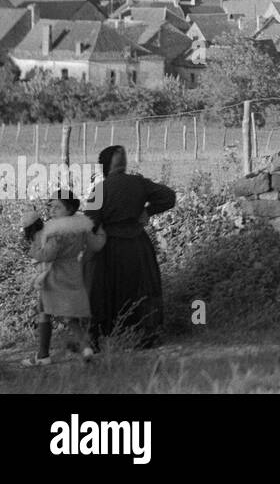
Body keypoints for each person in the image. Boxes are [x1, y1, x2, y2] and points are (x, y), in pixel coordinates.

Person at [83, 145, 176, 349]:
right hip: (137, 245)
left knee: (100, 289)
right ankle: (148, 334)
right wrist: (148, 211)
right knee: (142, 288)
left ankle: (94, 337)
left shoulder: (100, 190)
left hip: (110, 249)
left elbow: (90, 223)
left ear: (104, 166)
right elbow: (169, 197)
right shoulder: (138, 183)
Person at [20, 193, 105, 367]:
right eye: (51, 206)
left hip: (54, 275)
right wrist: (103, 231)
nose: (52, 210)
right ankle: (86, 347)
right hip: (73, 272)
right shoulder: (82, 227)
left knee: (44, 311)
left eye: (57, 207)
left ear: (70, 209)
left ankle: (43, 355)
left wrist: (33, 250)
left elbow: (49, 255)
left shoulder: (55, 231)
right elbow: (96, 245)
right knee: (70, 316)